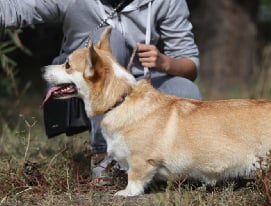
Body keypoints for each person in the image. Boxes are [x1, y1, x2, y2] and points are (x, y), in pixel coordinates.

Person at [0, 0, 202, 185]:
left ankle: (171, 166)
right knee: (108, 42)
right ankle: (105, 160)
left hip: (139, 90)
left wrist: (165, 63)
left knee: (186, 90)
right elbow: (16, 9)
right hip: (83, 87)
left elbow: (190, 65)